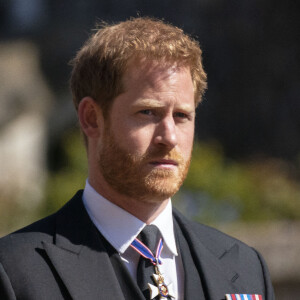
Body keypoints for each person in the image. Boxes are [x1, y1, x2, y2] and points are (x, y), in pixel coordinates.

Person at [0, 17, 274, 300]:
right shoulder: (15, 270)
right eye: (148, 113)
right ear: (92, 118)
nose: (169, 137)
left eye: (181, 116)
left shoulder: (245, 267)